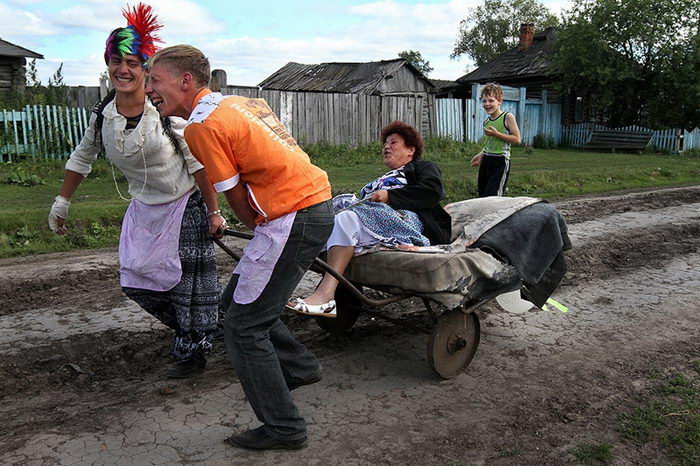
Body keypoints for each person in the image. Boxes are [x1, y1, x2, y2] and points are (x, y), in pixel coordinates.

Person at [145, 44, 334, 451]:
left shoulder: (201, 126)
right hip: (311, 203)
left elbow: (233, 195)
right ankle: (299, 368)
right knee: (235, 305)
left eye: (154, 81)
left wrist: (259, 231)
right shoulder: (238, 103)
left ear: (185, 81)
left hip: (292, 216)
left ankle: (285, 428)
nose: (148, 90)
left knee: (243, 328)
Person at [47, 4, 223, 379]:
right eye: (115, 60)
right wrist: (62, 201)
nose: (122, 69)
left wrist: (214, 212)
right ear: (106, 63)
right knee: (136, 279)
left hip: (184, 206)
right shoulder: (103, 114)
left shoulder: (165, 111)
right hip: (144, 208)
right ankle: (207, 325)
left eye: (132, 61)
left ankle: (193, 350)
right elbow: (81, 157)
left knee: (182, 285)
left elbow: (199, 166)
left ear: (146, 69)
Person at [288, 120, 452, 317]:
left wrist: (390, 196)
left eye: (393, 143)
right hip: (374, 218)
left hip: (407, 220)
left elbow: (432, 191)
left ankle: (326, 296)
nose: (386, 147)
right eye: (385, 143)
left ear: (411, 150)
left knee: (347, 219)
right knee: (320, 218)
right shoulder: (386, 176)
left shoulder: (422, 167)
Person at [470, 83, 522, 197]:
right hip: (486, 161)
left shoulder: (507, 117)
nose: (487, 104)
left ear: (499, 101)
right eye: (484, 101)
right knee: (482, 195)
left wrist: (497, 134)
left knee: (493, 197)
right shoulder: (487, 121)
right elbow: (491, 143)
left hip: (500, 161)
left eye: (491, 100)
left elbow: (517, 139)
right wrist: (481, 154)